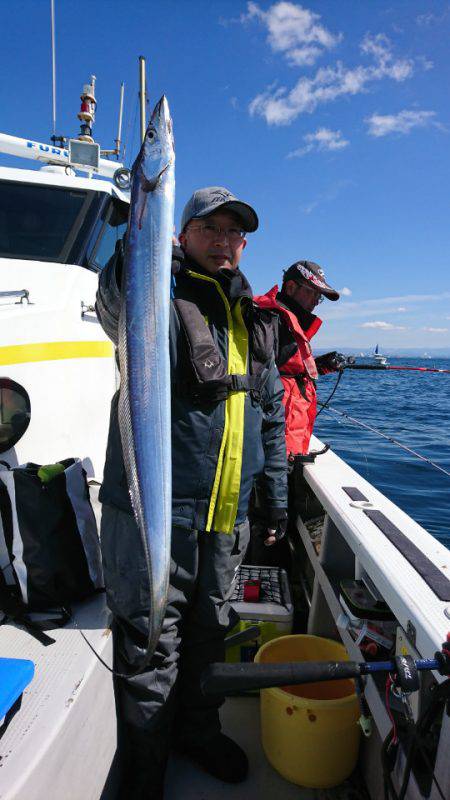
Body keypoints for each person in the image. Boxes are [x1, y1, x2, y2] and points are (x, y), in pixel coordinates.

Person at [95, 186, 287, 798]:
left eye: (235, 233)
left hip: (228, 512)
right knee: (153, 639)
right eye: (212, 229)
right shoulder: (156, 291)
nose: (225, 242)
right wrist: (138, 249)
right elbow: (114, 303)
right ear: (182, 233)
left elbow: (273, 412)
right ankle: (145, 772)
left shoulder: (255, 319)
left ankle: (196, 733)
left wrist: (276, 494)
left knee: (213, 630)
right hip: (159, 509)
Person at [249, 260, 344, 565]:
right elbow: (266, 376)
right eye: (313, 293)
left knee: (272, 522)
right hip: (271, 450)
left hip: (286, 447)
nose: (317, 302)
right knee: (265, 524)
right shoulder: (269, 319)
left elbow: (288, 371)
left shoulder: (286, 322)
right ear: (291, 287)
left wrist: (324, 364)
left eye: (320, 297)